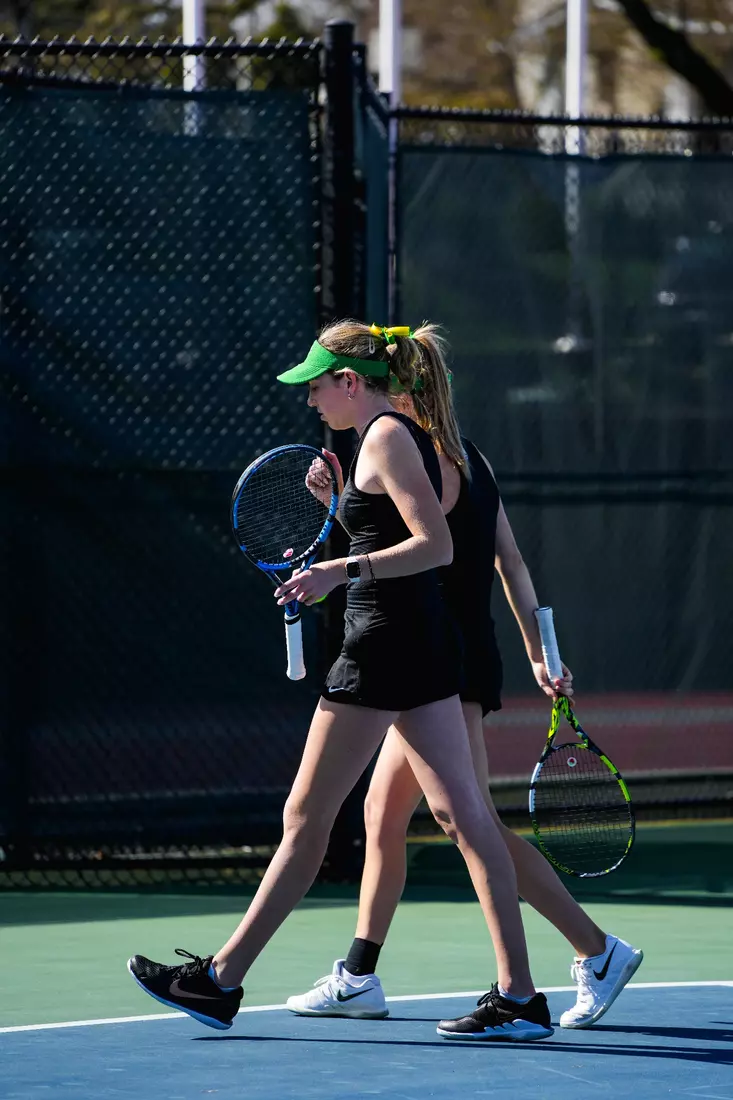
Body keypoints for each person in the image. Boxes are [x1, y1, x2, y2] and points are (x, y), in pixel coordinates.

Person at [127, 319, 554, 1041]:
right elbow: (388, 534)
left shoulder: (386, 437)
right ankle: (519, 996)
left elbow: (434, 545)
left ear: (351, 382)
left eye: (317, 386)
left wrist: (337, 570)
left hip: (381, 654)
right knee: (468, 821)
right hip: (418, 650)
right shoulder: (390, 441)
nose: (311, 399)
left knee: (306, 822)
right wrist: (335, 525)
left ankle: (218, 981)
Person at [285, 329, 643, 1033]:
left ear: (402, 391)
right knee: (388, 815)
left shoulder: (407, 451)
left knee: (466, 819)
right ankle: (359, 973)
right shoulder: (461, 458)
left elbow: (423, 552)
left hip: (435, 660)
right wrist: (542, 652)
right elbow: (507, 561)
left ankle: (589, 952)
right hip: (437, 657)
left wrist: (539, 653)